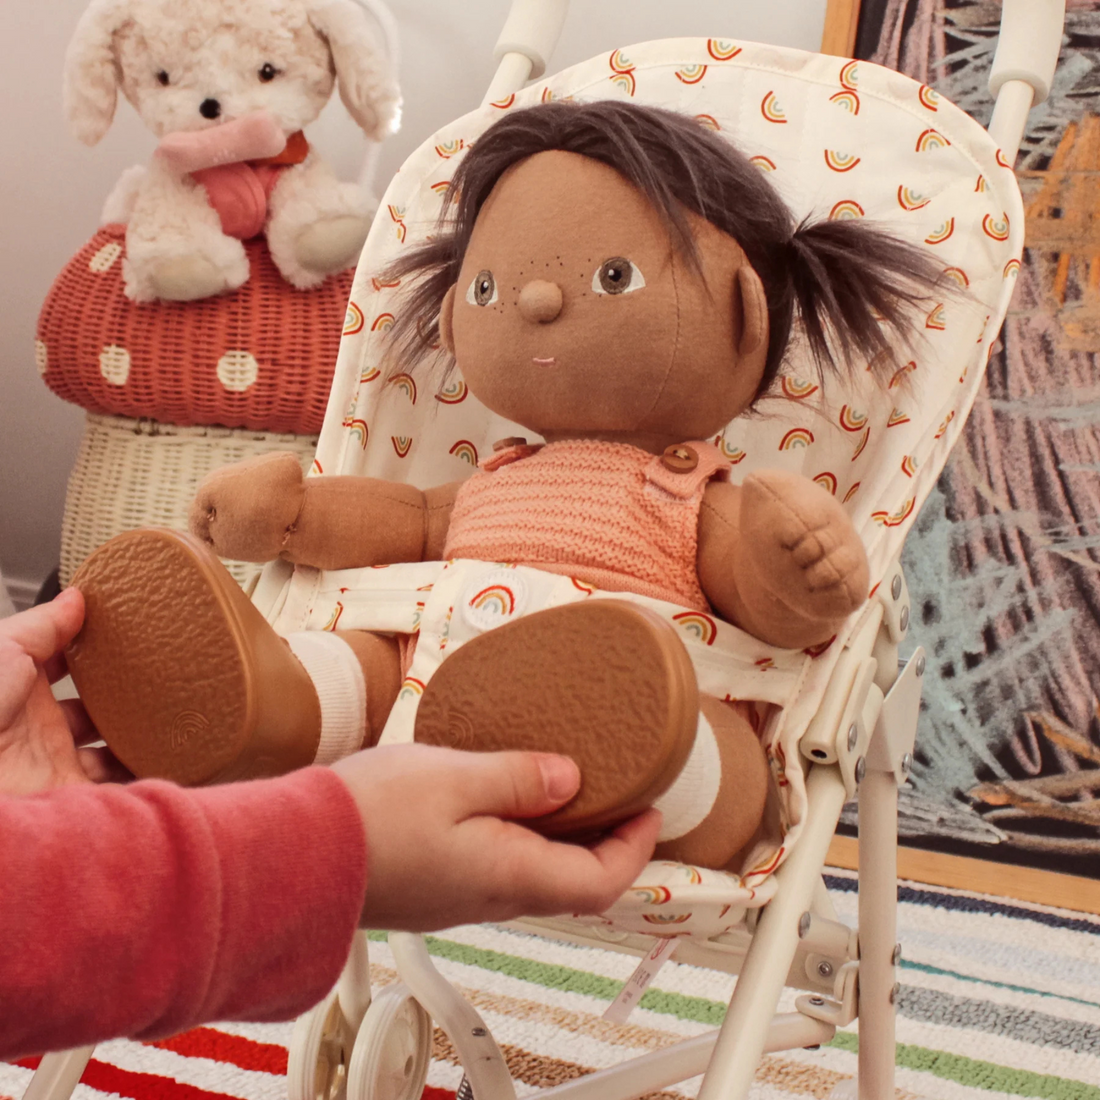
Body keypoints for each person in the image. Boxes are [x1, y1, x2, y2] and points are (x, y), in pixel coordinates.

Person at [0, 588, 660, 1060]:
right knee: (344, 670)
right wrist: (339, 847)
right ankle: (273, 704)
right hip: (414, 645)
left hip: (636, 640)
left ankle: (678, 750)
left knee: (667, 699)